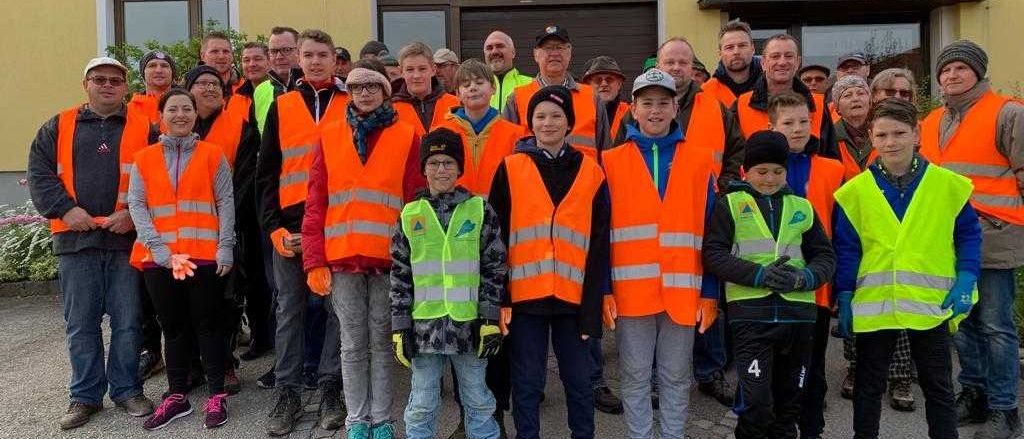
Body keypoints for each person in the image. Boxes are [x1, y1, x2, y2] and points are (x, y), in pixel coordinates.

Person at [835, 97, 983, 439]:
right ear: (872, 137)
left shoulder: (947, 185)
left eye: (899, 133)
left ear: (916, 134)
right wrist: (844, 293)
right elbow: (847, 248)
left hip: (931, 304)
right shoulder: (854, 191)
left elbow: (968, 236)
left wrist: (966, 276)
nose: (891, 142)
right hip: (876, 305)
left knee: (938, 388)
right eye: (883, 135)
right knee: (868, 388)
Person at [27, 56, 155, 430]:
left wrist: (133, 214)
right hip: (76, 242)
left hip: (125, 241)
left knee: (129, 321)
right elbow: (39, 171)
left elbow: (158, 178)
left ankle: (128, 390)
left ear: (125, 87)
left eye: (115, 80)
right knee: (81, 323)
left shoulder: (144, 127)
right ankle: (84, 397)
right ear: (86, 84)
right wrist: (65, 210)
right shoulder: (58, 126)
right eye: (99, 79)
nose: (107, 85)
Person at [302, 66, 424, 439]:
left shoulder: (407, 136)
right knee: (352, 344)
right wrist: (314, 260)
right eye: (357, 87)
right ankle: (357, 420)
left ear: (385, 92)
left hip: (389, 262)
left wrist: (415, 260)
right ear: (349, 92)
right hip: (342, 261)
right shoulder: (330, 135)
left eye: (372, 86)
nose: (365, 93)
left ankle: (382, 419)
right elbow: (316, 201)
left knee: (382, 342)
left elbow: (416, 201)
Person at [603, 68, 720, 439]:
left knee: (675, 375)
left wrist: (711, 293)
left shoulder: (701, 161)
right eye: (647, 103)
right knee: (635, 376)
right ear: (633, 110)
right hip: (630, 294)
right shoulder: (610, 161)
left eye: (663, 103)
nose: (655, 111)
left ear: (675, 109)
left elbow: (713, 234)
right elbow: (600, 234)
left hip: (683, 293)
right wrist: (604, 288)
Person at [489, 85, 608, 439]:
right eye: (540, 116)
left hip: (573, 301)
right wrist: (501, 299)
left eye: (556, 115)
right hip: (526, 300)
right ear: (530, 123)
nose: (548, 122)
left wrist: (593, 305)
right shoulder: (510, 168)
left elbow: (599, 245)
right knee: (526, 383)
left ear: (569, 123)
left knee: (580, 382)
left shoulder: (592, 172)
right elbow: (495, 239)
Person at [919, 40, 1024, 439]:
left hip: (996, 235)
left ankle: (1005, 409)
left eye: (961, 68)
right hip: (949, 240)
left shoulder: (1008, 113)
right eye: (945, 70)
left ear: (978, 72)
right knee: (962, 323)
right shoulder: (931, 122)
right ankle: (974, 393)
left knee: (996, 326)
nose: (951, 75)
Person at [703, 130, 836, 439]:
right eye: (761, 171)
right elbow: (714, 254)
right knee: (757, 402)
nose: (769, 178)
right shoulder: (730, 205)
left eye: (777, 171)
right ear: (745, 172)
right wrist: (759, 275)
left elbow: (824, 256)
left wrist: (804, 278)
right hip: (751, 317)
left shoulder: (801, 207)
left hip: (798, 318)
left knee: (790, 405)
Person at [126, 88, 235, 430]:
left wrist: (225, 246)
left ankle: (216, 394)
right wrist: (158, 249)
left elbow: (226, 203)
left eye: (187, 108)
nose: (180, 115)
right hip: (159, 259)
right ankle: (177, 395)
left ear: (195, 114)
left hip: (203, 256)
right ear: (162, 115)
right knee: (171, 327)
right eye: (172, 109)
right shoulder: (143, 158)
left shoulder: (212, 154)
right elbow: (137, 205)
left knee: (208, 325)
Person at [259, 29, 347, 437]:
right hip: (290, 229)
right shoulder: (282, 106)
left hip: (336, 226)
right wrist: (273, 227)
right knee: (290, 310)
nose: (314, 62)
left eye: (322, 55)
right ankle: (288, 391)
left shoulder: (351, 104)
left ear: (334, 60)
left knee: (334, 311)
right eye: (307, 55)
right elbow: (266, 174)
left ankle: (331, 387)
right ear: (298, 58)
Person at [390, 127, 505, 439]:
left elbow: (494, 267)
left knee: (478, 398)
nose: (441, 170)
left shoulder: (478, 209)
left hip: (469, 326)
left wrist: (490, 318)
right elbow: (400, 275)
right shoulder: (410, 214)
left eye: (448, 163)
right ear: (424, 168)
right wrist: (400, 326)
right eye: (433, 163)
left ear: (459, 168)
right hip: (424, 328)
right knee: (422, 402)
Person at [431, 59, 525, 438]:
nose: (472, 89)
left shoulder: (515, 133)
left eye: (480, 83)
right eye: (465, 84)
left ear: (492, 89)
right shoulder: (442, 132)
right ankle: (466, 415)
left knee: (497, 328)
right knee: (461, 330)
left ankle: (496, 413)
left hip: (501, 241)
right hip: (457, 242)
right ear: (457, 91)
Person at [762, 92, 845, 439]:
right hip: (765, 289)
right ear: (772, 127)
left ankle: (812, 430)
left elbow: (841, 234)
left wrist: (841, 286)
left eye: (804, 122)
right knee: (769, 371)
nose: (797, 129)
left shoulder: (832, 169)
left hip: (815, 291)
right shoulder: (757, 173)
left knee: (811, 370)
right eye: (788, 123)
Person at [502, 25, 610, 160]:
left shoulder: (592, 98)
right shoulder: (517, 99)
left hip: (583, 179)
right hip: (534, 180)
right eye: (548, 48)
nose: (554, 53)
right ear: (536, 54)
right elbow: (505, 153)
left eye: (559, 47)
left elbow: (606, 153)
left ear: (569, 52)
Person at [732, 34, 838, 158]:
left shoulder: (817, 104)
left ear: (797, 62)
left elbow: (831, 156)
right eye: (775, 56)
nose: (782, 62)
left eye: (788, 56)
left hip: (808, 178)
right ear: (763, 63)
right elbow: (732, 158)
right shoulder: (741, 105)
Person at [392, 42, 460, 134]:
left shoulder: (456, 105)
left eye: (422, 69)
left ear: (433, 70)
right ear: (401, 72)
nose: (416, 75)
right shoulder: (391, 111)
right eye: (410, 70)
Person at [702, 19, 762, 108]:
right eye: (729, 47)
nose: (736, 52)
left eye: (742, 45)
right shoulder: (706, 92)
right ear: (720, 53)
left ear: (753, 48)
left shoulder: (771, 85)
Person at [483, 30, 533, 112]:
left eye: (500, 46)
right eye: (489, 48)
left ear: (513, 52)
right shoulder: (475, 87)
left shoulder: (531, 84)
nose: (494, 51)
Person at [583, 55, 629, 144]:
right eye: (598, 80)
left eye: (609, 80)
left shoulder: (632, 113)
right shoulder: (578, 114)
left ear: (619, 84)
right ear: (588, 85)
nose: (604, 84)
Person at [128, 50, 177, 124]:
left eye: (164, 66)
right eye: (152, 66)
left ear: (172, 73)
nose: (159, 70)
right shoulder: (128, 110)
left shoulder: (188, 106)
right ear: (143, 74)